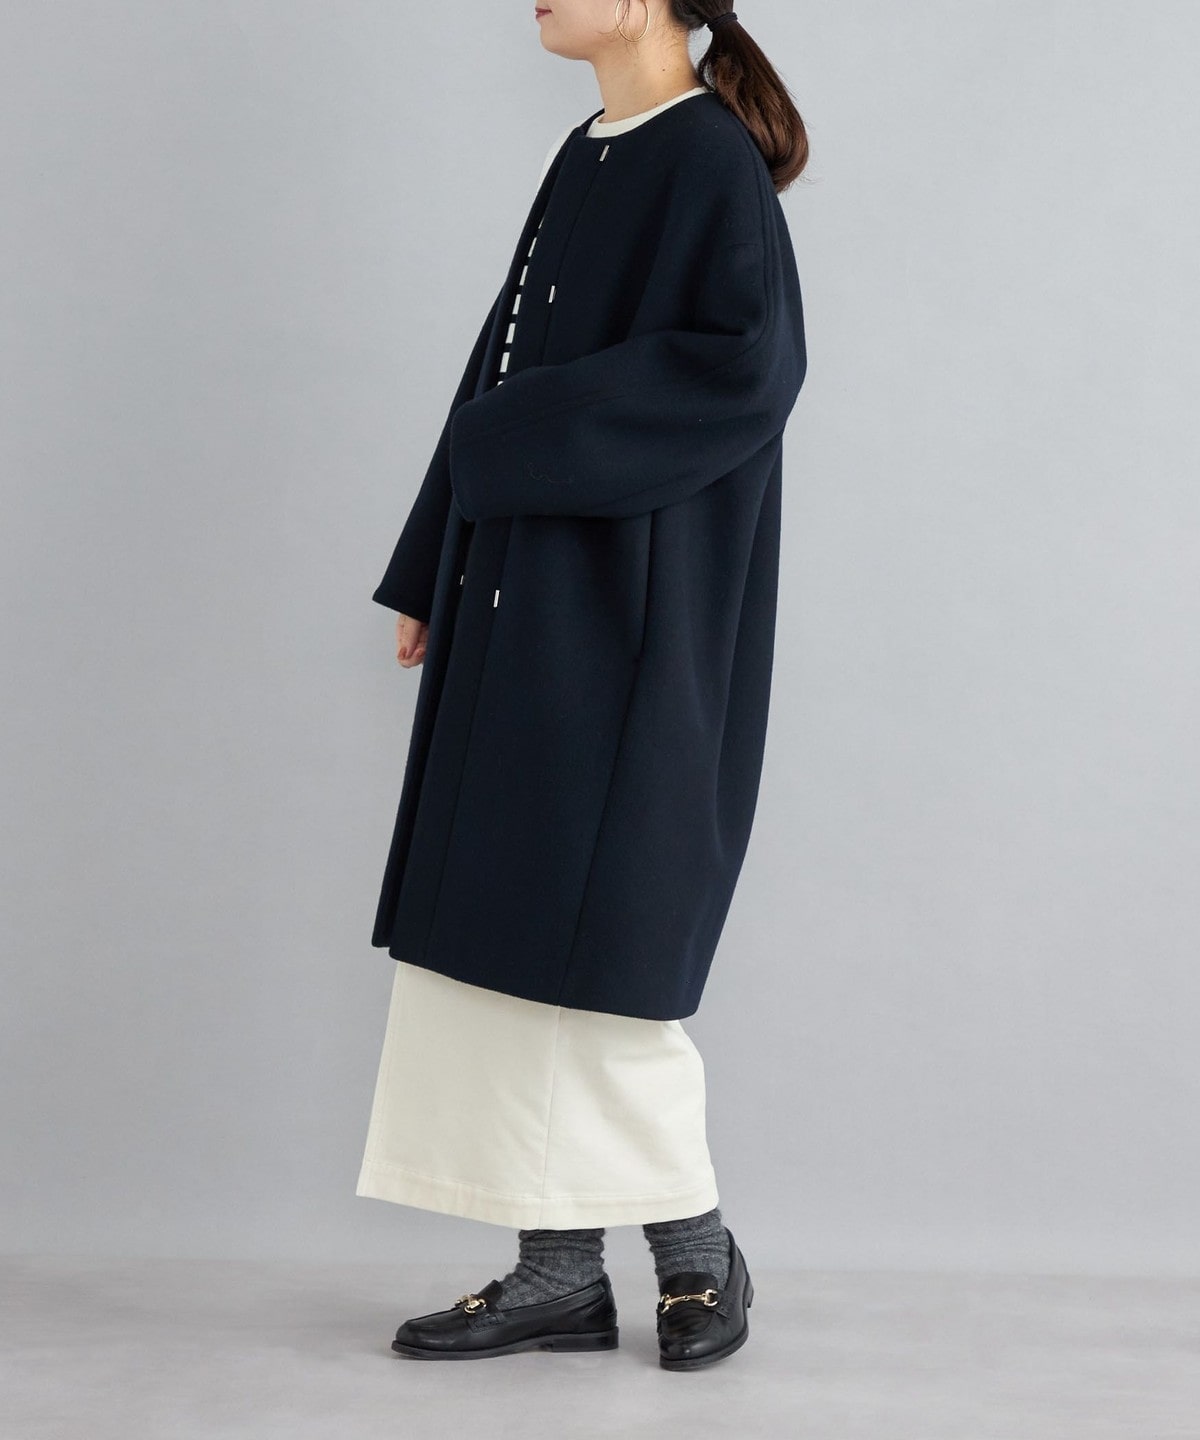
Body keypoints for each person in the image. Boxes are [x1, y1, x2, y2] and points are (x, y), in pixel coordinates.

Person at [356, 0, 808, 1369]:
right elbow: (496, 360)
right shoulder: (594, 146)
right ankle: (556, 1273)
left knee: (598, 943)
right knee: (506, 929)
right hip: (523, 589)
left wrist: (513, 442)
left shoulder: (705, 156)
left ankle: (694, 1250)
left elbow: (746, 369)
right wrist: (434, 562)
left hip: (627, 609)